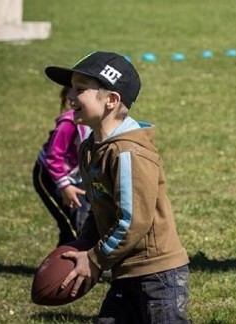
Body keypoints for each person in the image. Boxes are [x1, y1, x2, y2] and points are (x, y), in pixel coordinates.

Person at [45, 51, 190, 322]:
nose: (71, 96)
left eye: (81, 90)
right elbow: (99, 205)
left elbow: (133, 220)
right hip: (125, 269)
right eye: (71, 89)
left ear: (111, 100)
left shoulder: (127, 153)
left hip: (157, 273)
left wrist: (96, 259)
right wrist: (82, 244)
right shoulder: (91, 148)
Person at [33, 86, 92, 247]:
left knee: (82, 220)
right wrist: (65, 186)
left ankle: (60, 268)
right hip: (50, 176)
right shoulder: (69, 123)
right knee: (74, 225)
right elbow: (53, 157)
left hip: (75, 176)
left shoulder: (97, 120)